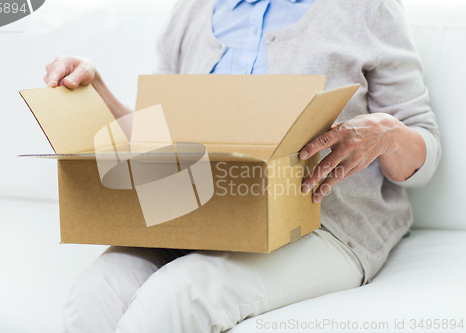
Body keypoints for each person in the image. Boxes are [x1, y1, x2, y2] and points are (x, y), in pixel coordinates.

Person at [45, 0, 441, 332]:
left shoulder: (365, 8)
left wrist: (387, 133)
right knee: (92, 294)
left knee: (179, 293)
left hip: (326, 225)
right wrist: (98, 92)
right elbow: (158, 135)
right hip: (193, 215)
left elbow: (424, 146)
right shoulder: (192, 11)